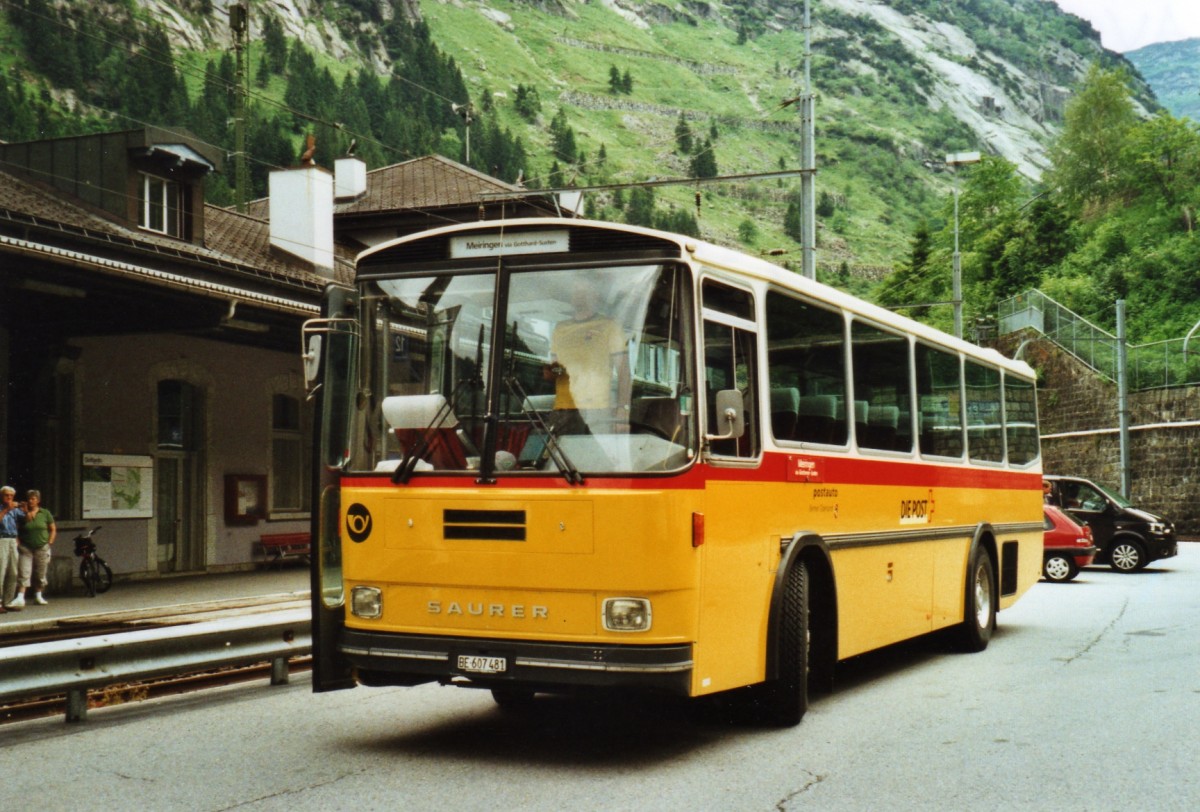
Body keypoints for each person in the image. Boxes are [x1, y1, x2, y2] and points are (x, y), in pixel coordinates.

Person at [543, 279, 631, 435]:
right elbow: (555, 369)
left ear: (596, 295)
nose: (579, 295)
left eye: (584, 290)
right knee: (560, 457)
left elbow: (624, 372)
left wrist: (623, 410)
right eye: (576, 290)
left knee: (595, 456)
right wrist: (549, 371)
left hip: (597, 409)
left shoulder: (609, 326)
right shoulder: (560, 328)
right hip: (563, 408)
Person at [16, 489, 55, 606]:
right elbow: (16, 529)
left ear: (38, 500)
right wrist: (18, 542)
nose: (31, 501)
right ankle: (20, 596)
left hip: (42, 547)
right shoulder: (21, 513)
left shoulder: (45, 513)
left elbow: (52, 529)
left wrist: (50, 542)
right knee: (24, 571)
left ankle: (38, 595)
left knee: (40, 573)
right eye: (29, 498)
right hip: (26, 547)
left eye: (33, 499)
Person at [0, 485, 22, 613]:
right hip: (1, 540)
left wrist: (25, 509)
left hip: (13, 540)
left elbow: (27, 519)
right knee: (0, 571)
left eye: (11, 496)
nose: (9, 498)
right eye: (6, 495)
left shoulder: (15, 510)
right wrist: (6, 509)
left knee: (13, 572)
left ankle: (8, 601)